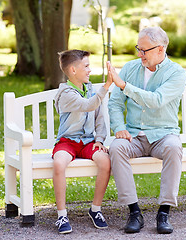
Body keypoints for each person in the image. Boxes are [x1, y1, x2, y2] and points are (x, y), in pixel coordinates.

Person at [107, 26, 186, 234]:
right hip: (133, 135)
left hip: (163, 134)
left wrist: (125, 86)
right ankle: (134, 212)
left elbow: (156, 100)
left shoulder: (177, 73)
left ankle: (164, 213)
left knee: (173, 147)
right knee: (116, 148)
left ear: (160, 49)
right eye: (138, 49)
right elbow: (115, 103)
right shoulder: (130, 68)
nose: (139, 54)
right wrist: (119, 127)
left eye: (144, 50)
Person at [52, 49, 112, 234]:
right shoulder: (66, 94)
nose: (89, 70)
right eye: (86, 66)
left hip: (87, 141)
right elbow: (89, 105)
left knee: (105, 162)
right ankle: (62, 215)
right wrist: (107, 85)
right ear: (73, 70)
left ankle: (95, 209)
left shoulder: (91, 89)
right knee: (59, 163)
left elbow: (100, 117)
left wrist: (100, 140)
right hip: (67, 141)